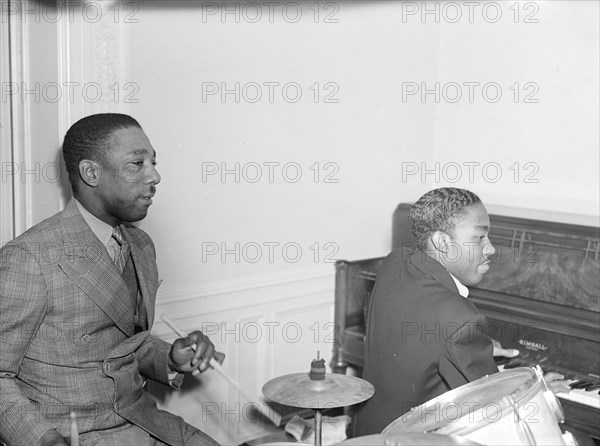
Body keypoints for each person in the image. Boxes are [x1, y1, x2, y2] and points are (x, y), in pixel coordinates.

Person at [0, 114, 221, 446]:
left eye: (153, 162)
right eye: (137, 163)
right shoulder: (29, 257)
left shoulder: (140, 245)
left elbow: (121, 343)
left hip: (143, 418)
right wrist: (43, 439)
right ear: (91, 173)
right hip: (74, 434)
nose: (155, 175)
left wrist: (171, 358)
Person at [353, 187, 568, 436]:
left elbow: (425, 337)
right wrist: (538, 390)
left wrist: (470, 347)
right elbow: (497, 411)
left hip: (367, 432)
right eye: (479, 238)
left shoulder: (395, 262)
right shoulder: (460, 318)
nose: (491, 249)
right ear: (442, 241)